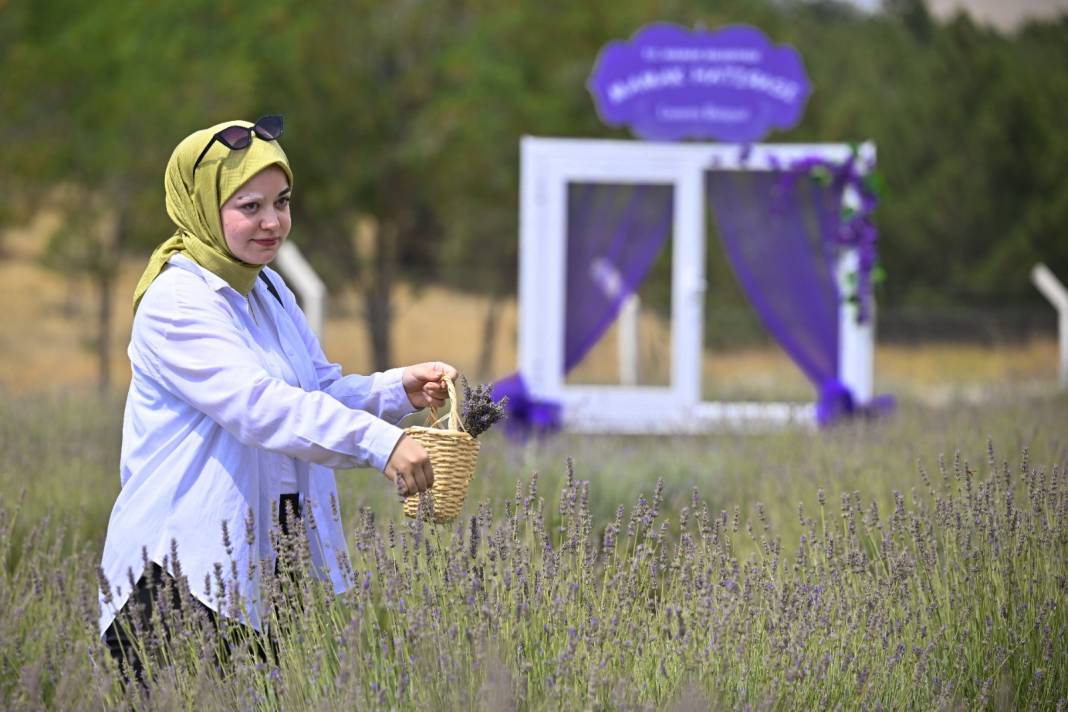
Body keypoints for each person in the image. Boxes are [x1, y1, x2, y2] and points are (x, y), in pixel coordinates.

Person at [98, 116, 454, 676]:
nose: (273, 223)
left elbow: (316, 390)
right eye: (249, 207)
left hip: (270, 564)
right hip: (180, 576)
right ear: (201, 205)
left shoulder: (264, 285)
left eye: (282, 202)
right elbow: (260, 408)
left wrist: (395, 391)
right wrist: (379, 444)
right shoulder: (178, 301)